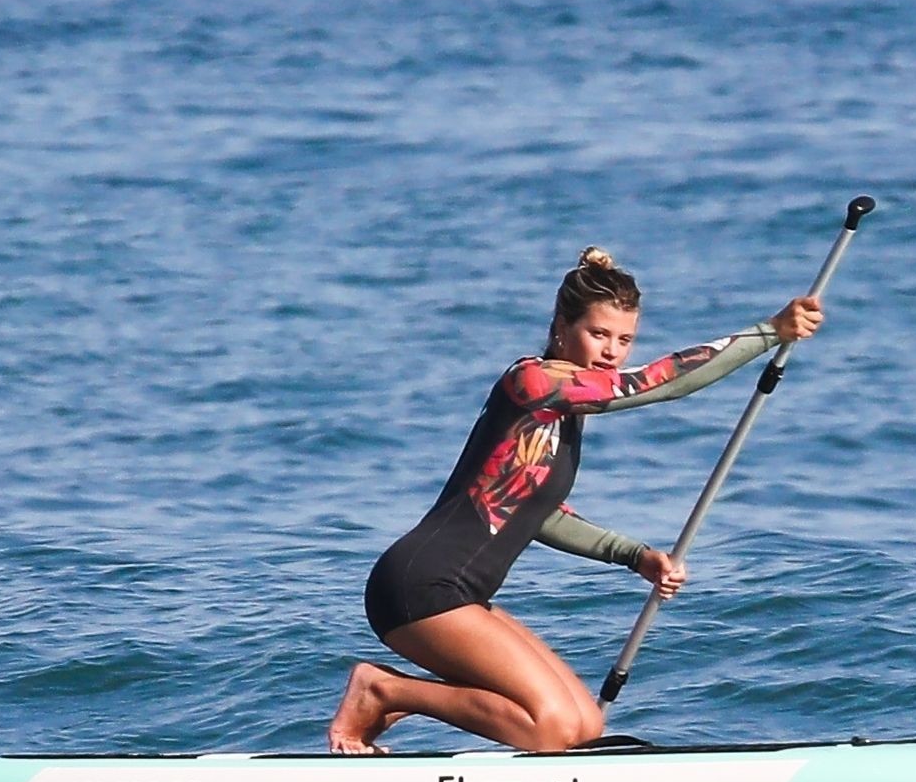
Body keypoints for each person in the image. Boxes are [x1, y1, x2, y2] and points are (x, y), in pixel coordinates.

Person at [328, 247, 824, 754]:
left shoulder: (562, 412)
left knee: (584, 726)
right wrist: (769, 333)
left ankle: (396, 697)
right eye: (598, 334)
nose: (612, 352)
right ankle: (383, 691)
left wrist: (636, 556)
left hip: (461, 593)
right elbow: (662, 383)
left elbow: (538, 515)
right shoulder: (534, 382)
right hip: (419, 586)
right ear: (562, 327)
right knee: (549, 730)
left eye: (624, 339)